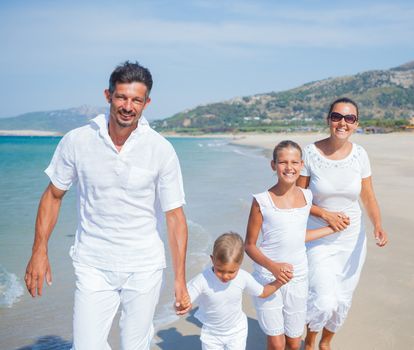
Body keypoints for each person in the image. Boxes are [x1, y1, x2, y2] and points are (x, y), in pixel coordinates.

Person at [24, 61, 190, 350]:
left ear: (146, 102)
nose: (128, 106)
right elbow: (53, 195)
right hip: (93, 263)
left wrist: (180, 280)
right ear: (108, 96)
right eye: (121, 97)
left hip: (144, 266)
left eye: (136, 100)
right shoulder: (77, 141)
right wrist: (39, 250)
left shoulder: (160, 149)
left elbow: (175, 216)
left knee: (134, 346)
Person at [296, 97, 388, 350]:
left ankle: (326, 343)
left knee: (342, 298)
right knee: (324, 300)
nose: (342, 123)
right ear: (328, 119)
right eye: (337, 117)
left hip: (352, 239)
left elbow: (367, 195)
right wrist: (325, 214)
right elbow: (297, 198)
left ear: (356, 124)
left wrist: (377, 225)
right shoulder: (310, 153)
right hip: (318, 237)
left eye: (350, 118)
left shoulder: (360, 154)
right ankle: (311, 341)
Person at [245, 140, 339, 350]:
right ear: (273, 165)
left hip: (298, 277)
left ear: (301, 165)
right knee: (277, 344)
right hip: (268, 277)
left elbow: (297, 236)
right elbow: (249, 246)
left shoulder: (307, 196)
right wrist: (274, 267)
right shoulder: (261, 201)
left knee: (294, 343)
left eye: (294, 162)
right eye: (283, 162)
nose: (289, 167)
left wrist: (332, 228)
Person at [183, 232, 283, 350]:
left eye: (231, 272)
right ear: (212, 259)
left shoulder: (243, 277)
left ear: (239, 264)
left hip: (237, 331)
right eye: (220, 270)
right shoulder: (202, 280)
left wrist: (280, 281)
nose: (225, 276)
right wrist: (183, 304)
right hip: (211, 334)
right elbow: (185, 297)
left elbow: (263, 292)